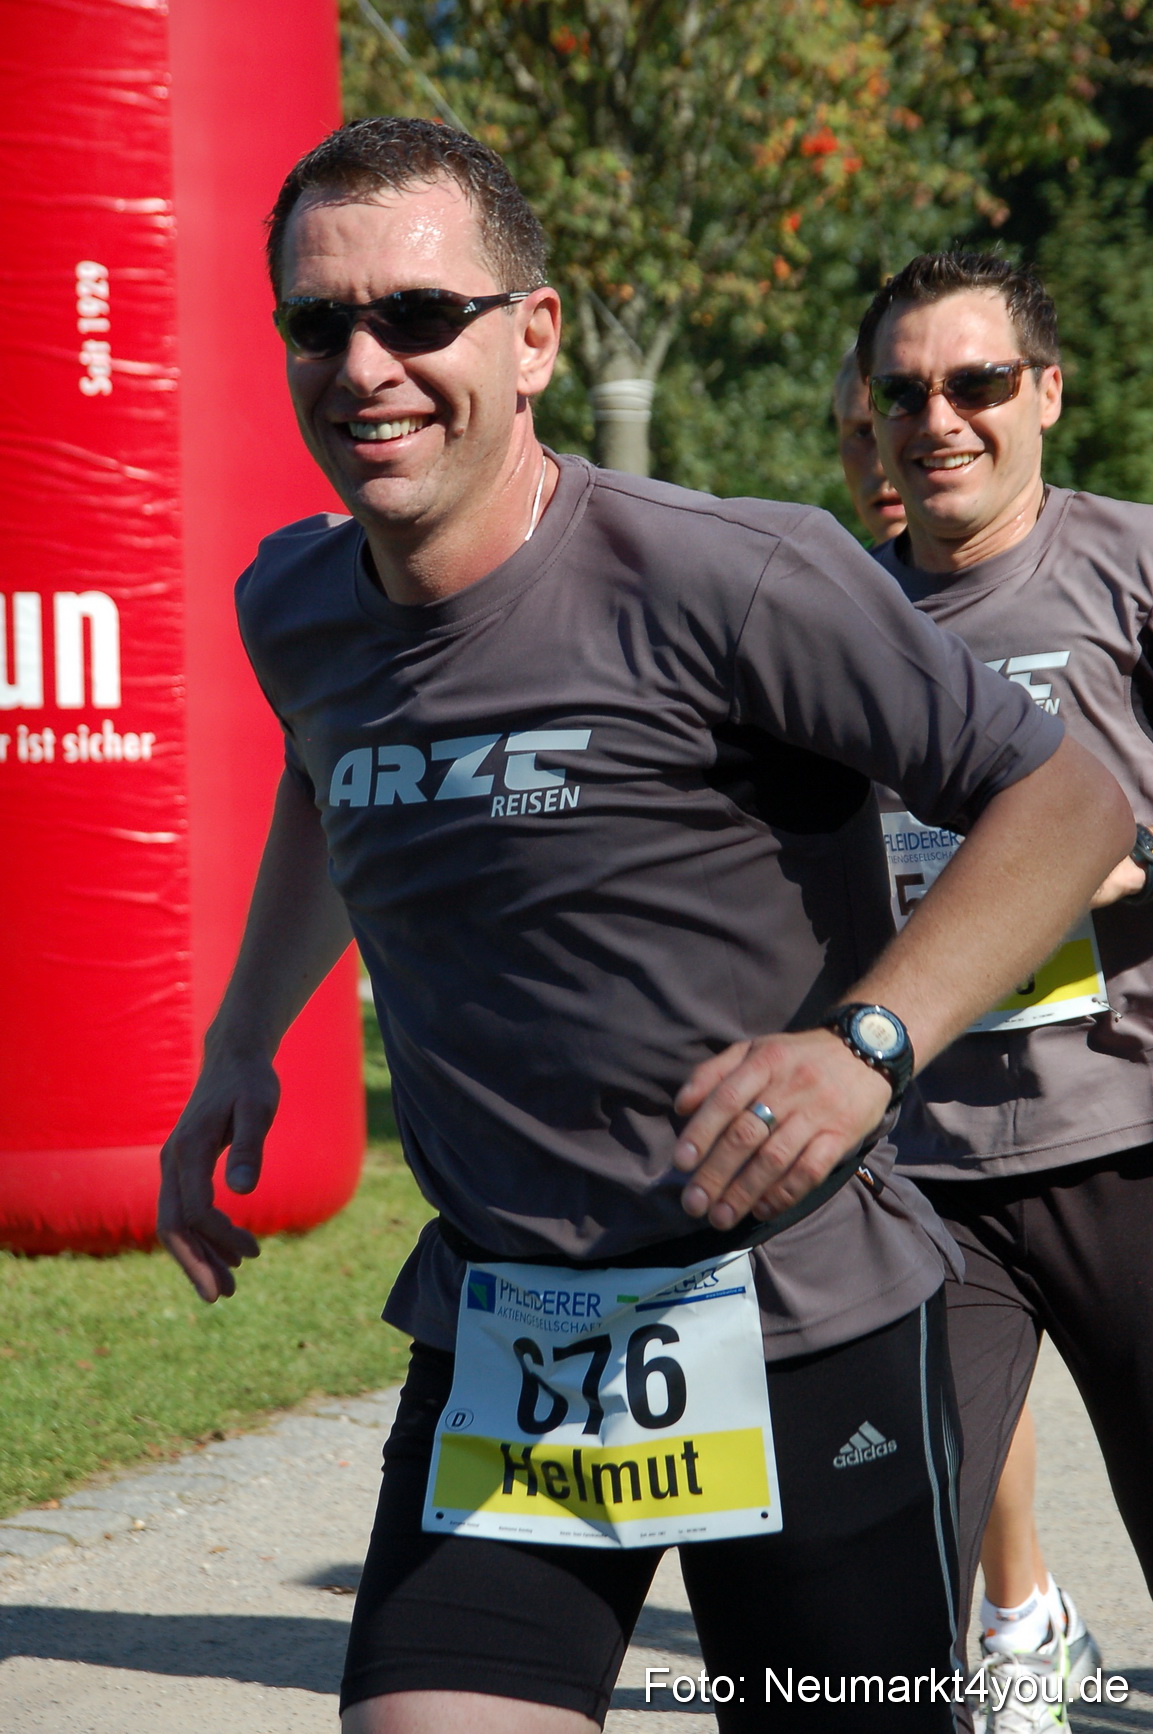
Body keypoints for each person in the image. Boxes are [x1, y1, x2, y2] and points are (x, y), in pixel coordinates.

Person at [157, 121, 1131, 1734]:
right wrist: (243, 1041)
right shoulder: (296, 602)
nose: (363, 364)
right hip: (516, 1325)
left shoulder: (730, 576)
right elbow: (327, 787)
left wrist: (865, 1046)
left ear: (531, 335)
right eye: (315, 324)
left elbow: (1065, 803)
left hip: (796, 1310)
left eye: (416, 313)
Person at [857, 250, 1153, 1729]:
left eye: (975, 382)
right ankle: (1018, 1623)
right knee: (888, 1575)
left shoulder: (1127, 562)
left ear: (1044, 391)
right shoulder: (834, 612)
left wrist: (1113, 850)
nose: (941, 417)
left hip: (1132, 1142)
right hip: (926, 1173)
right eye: (906, 389)